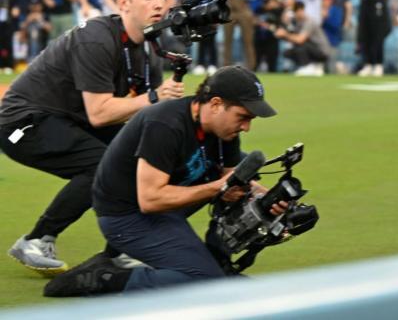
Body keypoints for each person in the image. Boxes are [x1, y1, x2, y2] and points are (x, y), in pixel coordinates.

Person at [0, 0, 185, 275]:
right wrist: (155, 97)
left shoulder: (150, 49)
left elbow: (147, 117)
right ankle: (36, 240)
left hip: (71, 119)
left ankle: (120, 252)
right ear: (123, 2)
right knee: (101, 165)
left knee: (145, 158)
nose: (159, 3)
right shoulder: (98, 38)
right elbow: (100, 114)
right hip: (22, 121)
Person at [43, 66, 279, 296]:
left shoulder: (224, 130)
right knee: (203, 281)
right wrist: (219, 187)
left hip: (167, 207)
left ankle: (218, 264)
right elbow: (150, 200)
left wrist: (269, 199)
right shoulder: (165, 123)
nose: (246, 127)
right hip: (125, 216)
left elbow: (232, 180)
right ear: (216, 104)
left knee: (227, 207)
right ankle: (106, 278)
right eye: (243, 117)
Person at [274, 0, 331, 76]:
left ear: (300, 10)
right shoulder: (297, 23)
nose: (293, 14)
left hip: (321, 51)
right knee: (288, 52)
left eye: (294, 11)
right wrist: (283, 35)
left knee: (300, 46)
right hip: (312, 48)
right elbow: (292, 38)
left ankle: (307, 67)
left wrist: (285, 34)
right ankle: (314, 67)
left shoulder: (309, 21)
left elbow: (300, 40)